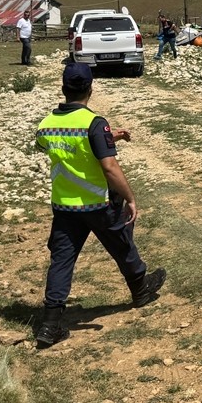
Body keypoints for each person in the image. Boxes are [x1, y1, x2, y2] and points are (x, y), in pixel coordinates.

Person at [33, 63, 166, 348]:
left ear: (63, 88)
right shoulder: (94, 123)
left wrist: (106, 139)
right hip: (98, 203)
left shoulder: (46, 124)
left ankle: (49, 325)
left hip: (65, 207)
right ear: (90, 89)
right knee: (122, 244)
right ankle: (141, 291)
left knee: (61, 261)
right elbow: (109, 167)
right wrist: (130, 197)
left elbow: (59, 148)